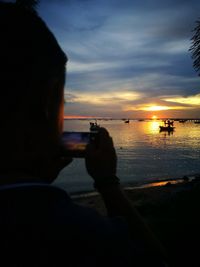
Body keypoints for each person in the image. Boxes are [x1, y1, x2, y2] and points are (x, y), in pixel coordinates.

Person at [0, 1, 168, 266]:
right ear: (47, 102)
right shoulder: (81, 234)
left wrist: (35, 178)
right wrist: (108, 184)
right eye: (62, 102)